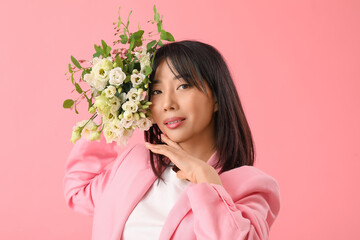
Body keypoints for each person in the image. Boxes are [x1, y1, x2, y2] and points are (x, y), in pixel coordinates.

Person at [63, 40, 281, 240]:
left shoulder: (252, 187)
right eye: (156, 91)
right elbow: (78, 191)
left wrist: (206, 180)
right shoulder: (135, 162)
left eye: (183, 86)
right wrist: (111, 113)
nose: (167, 103)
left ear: (216, 97)